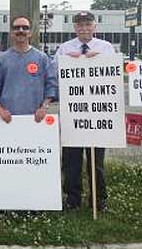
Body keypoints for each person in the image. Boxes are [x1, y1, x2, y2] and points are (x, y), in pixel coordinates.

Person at [55, 11, 115, 211]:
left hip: (97, 111)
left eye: (88, 24)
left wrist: (97, 60)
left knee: (96, 161)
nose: (84, 28)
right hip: (73, 110)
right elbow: (54, 74)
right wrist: (72, 60)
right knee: (71, 159)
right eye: (80, 25)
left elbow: (113, 75)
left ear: (94, 26)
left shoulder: (105, 48)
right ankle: (73, 199)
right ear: (75, 27)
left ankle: (99, 199)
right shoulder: (65, 48)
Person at [0, 15, 57, 124]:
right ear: (11, 32)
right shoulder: (0, 60)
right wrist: (0, 110)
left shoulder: (42, 59)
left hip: (36, 120)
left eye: (25, 27)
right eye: (17, 27)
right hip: (7, 120)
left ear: (30, 32)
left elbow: (52, 85)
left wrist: (44, 108)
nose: (21, 30)